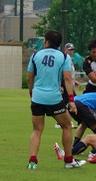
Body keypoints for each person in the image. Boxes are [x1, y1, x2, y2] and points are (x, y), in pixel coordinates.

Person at [27, 29, 85, 169]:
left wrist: (31, 92)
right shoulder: (64, 57)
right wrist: (71, 100)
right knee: (67, 126)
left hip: (37, 97)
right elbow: (67, 78)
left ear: (46, 41)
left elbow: (29, 77)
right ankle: (69, 160)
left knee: (37, 130)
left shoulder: (35, 55)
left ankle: (32, 162)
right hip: (54, 98)